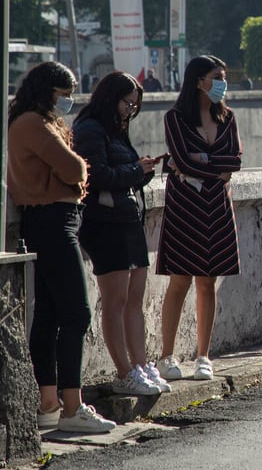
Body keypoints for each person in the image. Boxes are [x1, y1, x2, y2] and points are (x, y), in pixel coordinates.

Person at [8, 61, 117, 433]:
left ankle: (50, 402)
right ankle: (72, 407)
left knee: (51, 315)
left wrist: (70, 175)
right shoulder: (31, 124)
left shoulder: (37, 122)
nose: (69, 102)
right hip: (52, 222)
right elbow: (74, 170)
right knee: (76, 313)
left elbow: (67, 169)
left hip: (55, 220)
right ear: (47, 91)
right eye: (64, 95)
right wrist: (76, 176)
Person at [73, 72, 171, 396]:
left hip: (128, 220)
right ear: (110, 98)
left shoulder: (117, 130)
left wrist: (142, 171)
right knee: (115, 302)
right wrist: (134, 170)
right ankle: (124, 371)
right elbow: (97, 176)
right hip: (105, 224)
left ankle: (141, 365)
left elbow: (123, 175)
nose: (130, 110)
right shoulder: (90, 129)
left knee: (134, 302)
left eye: (134, 105)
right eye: (127, 102)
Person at [156, 55, 243, 381]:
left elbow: (234, 162)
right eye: (216, 77)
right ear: (198, 81)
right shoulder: (175, 118)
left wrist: (198, 161)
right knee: (180, 280)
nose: (222, 82)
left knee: (208, 282)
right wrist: (212, 166)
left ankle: (203, 356)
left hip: (216, 206)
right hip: (185, 207)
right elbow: (181, 159)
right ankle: (166, 355)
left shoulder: (228, 118)